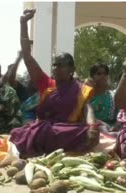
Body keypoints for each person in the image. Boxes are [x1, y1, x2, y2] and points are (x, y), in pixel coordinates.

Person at [10, 9, 99, 158]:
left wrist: (92, 127)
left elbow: (88, 109)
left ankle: (57, 152)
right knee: (24, 133)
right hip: (45, 129)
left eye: (62, 65)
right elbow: (27, 57)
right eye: (55, 65)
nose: (56, 68)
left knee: (88, 133)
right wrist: (23, 23)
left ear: (72, 69)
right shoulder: (46, 83)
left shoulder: (81, 89)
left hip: (68, 130)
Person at [87, 62, 118, 130]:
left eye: (105, 74)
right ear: (92, 77)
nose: (102, 76)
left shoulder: (113, 96)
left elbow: (120, 117)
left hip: (110, 131)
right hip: (91, 130)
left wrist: (116, 126)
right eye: (99, 74)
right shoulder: (86, 97)